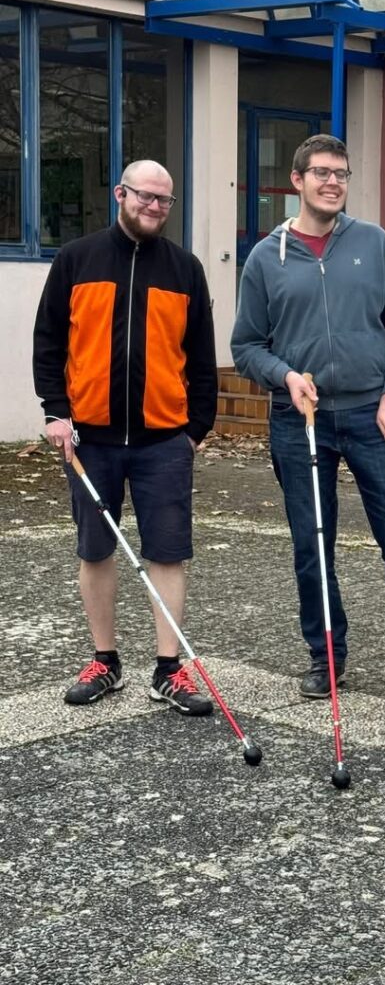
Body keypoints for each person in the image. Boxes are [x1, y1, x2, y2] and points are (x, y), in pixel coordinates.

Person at [231, 133, 385, 702]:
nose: (333, 181)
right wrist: (285, 375)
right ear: (297, 182)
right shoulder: (267, 257)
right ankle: (327, 656)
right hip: (301, 421)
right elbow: (246, 346)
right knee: (313, 544)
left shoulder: (373, 243)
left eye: (341, 172)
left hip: (371, 414)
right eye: (320, 172)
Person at [33, 160, 218, 716]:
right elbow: (48, 342)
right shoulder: (76, 259)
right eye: (145, 197)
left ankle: (169, 670)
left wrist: (195, 431)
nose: (154, 207)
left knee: (167, 552)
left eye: (164, 200)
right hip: (90, 438)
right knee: (96, 549)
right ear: (121, 194)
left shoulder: (185, 269)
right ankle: (105, 660)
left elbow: (203, 359)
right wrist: (55, 413)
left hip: (165, 441)